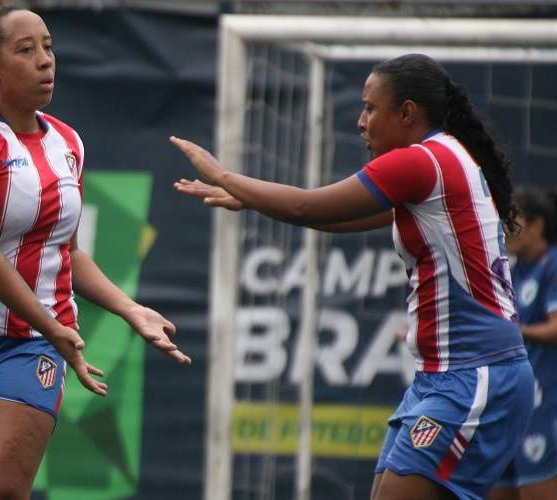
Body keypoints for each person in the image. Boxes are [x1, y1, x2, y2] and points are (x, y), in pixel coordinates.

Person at [172, 53, 533, 500]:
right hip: (445, 377)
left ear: (406, 113)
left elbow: (307, 205)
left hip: (476, 374)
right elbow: (335, 217)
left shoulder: (417, 163)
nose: (360, 121)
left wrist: (222, 173)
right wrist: (249, 198)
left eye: (370, 108)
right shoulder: (442, 159)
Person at [0, 1, 191, 498]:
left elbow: (67, 254)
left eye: (49, 48)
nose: (46, 60)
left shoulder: (67, 143)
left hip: (29, 342)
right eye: (26, 50)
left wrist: (129, 309)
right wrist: (54, 327)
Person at [490, 188, 557, 499]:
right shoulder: (509, 271)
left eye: (513, 221)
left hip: (544, 407)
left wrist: (514, 331)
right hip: (505, 406)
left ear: (537, 226)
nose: (506, 230)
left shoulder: (553, 265)